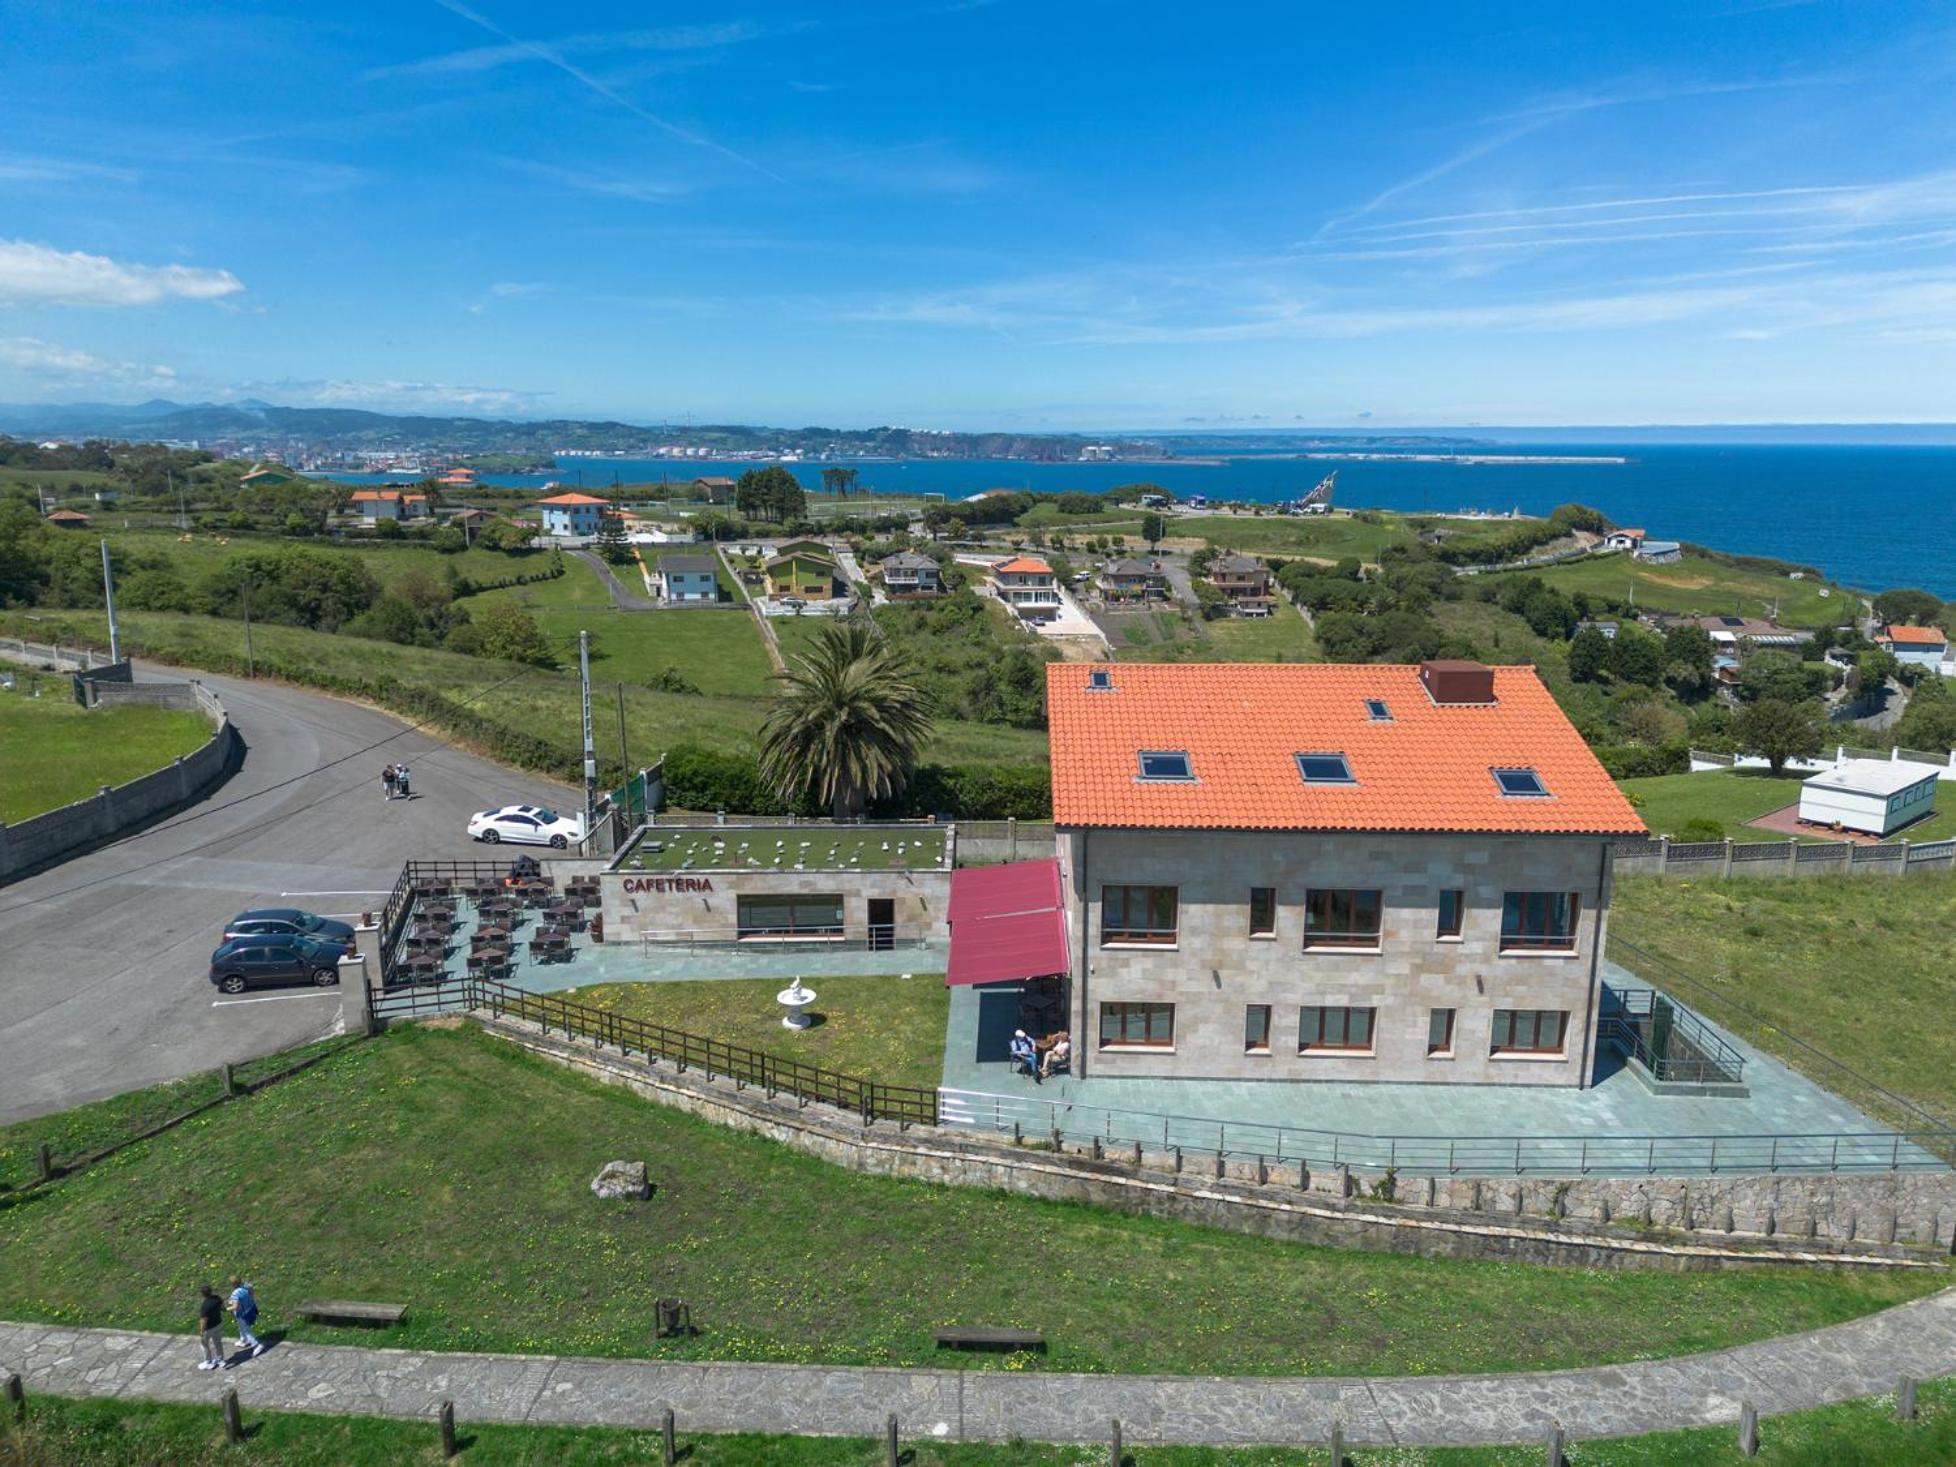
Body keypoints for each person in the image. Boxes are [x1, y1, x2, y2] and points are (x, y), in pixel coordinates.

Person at [226, 1276, 264, 1361]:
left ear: (233, 1284)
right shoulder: (247, 1286)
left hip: (242, 1313)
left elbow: (235, 1306)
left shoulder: (235, 1293)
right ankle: (243, 1340)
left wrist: (226, 1309)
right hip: (250, 1308)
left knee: (246, 1330)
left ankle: (256, 1345)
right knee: (241, 1326)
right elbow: (251, 1292)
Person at [195, 1283, 225, 1370]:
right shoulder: (217, 1298)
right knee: (218, 1342)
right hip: (218, 1324)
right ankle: (221, 1360)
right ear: (211, 1291)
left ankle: (208, 1362)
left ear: (202, 1294)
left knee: (204, 1344)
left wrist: (201, 1331)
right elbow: (222, 1308)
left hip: (209, 1328)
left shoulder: (205, 1306)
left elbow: (204, 1320)